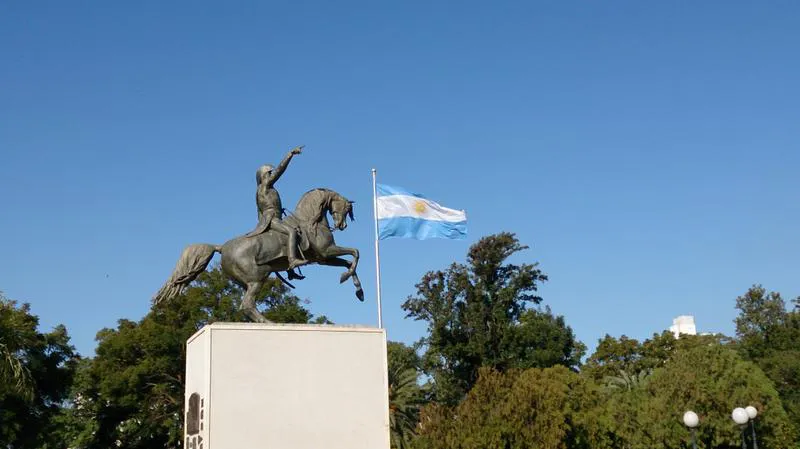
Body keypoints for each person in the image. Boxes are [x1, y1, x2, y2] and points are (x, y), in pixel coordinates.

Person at [245, 145, 306, 278]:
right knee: (291, 232)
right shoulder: (264, 186)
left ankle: (290, 272)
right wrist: (290, 155)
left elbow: (259, 211)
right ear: (264, 176)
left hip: (273, 217)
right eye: (269, 173)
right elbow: (280, 170)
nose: (272, 175)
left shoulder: (265, 189)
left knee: (290, 233)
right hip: (271, 219)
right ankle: (292, 260)